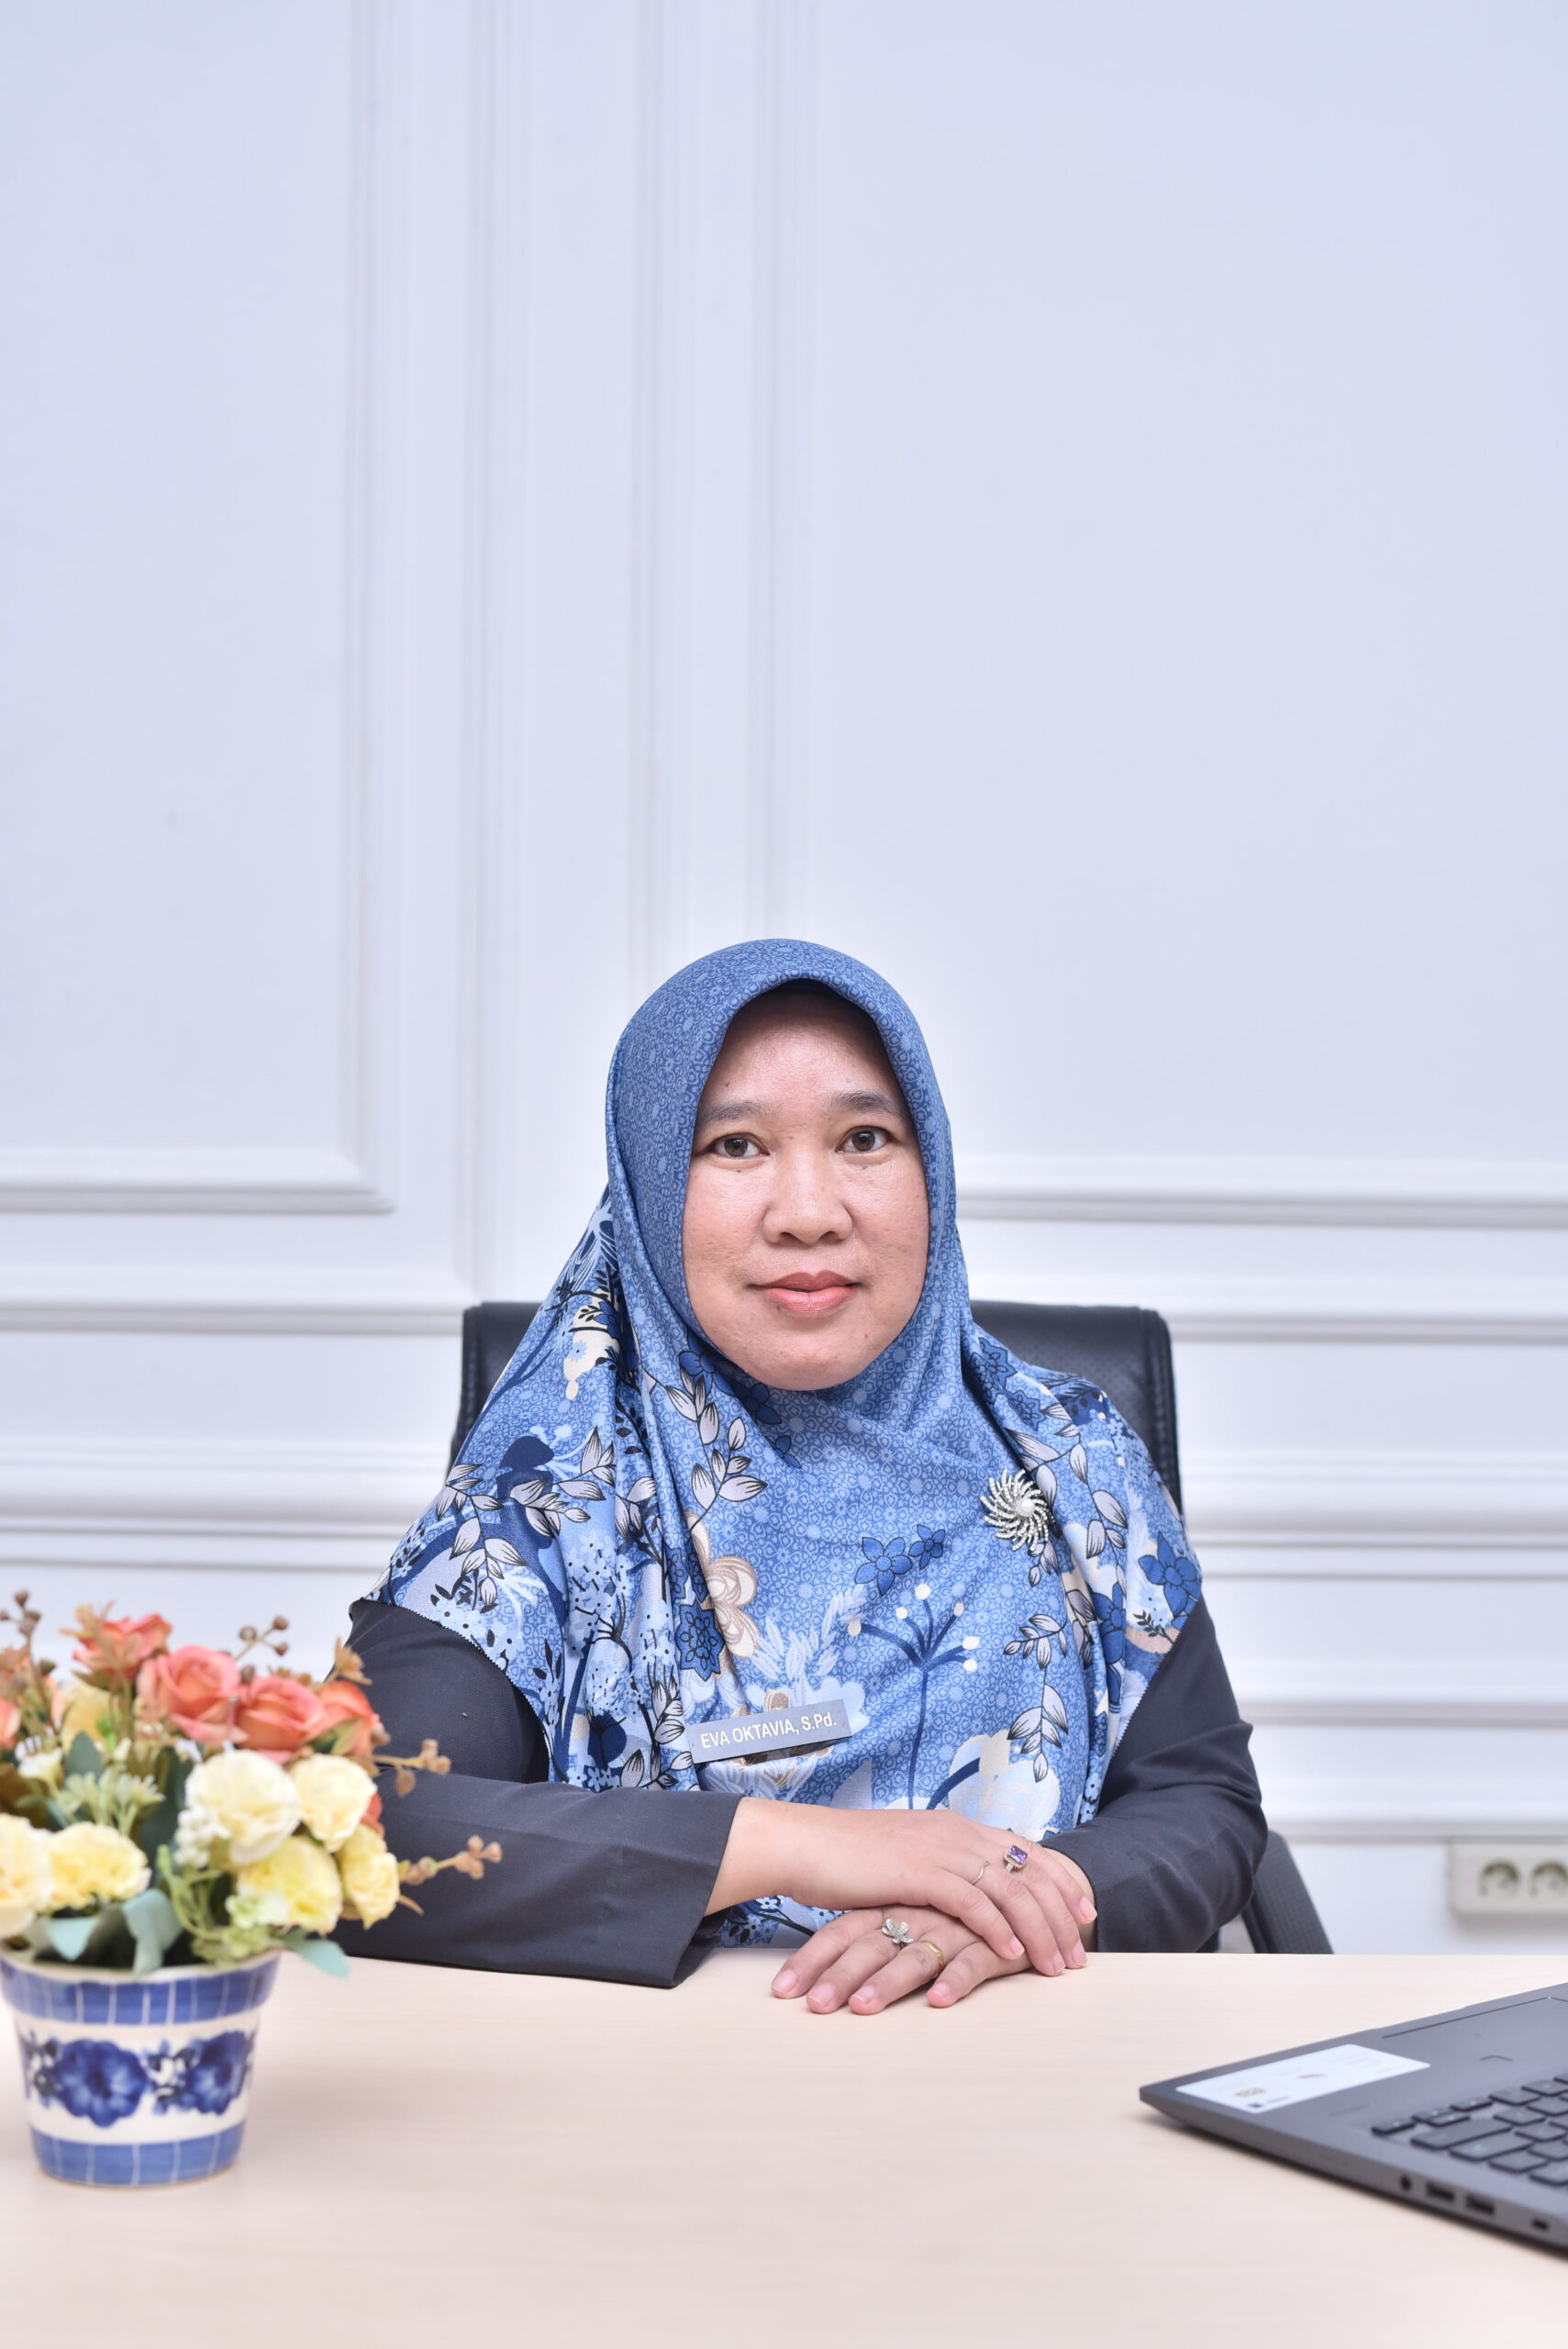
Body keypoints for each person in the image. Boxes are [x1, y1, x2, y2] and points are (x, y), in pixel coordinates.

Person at [341, 941, 1263, 2012]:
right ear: (647, 1184)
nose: (809, 1211)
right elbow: (364, 1821)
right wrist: (808, 1846)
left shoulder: (1068, 1454)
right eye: (734, 1145)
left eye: (863, 1139)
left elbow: (1200, 1799)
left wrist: (1011, 1905)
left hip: (1023, 2050)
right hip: (658, 2073)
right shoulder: (549, 1486)